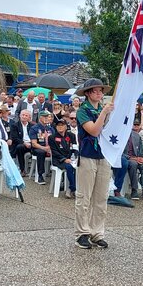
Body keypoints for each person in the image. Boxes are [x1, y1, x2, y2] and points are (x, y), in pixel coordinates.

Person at [74, 78, 114, 249]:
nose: (99, 94)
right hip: (88, 156)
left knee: (101, 197)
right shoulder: (83, 111)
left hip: (105, 156)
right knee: (84, 197)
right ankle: (82, 233)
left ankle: (97, 233)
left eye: (101, 91)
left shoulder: (106, 111)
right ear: (88, 93)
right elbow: (94, 130)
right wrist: (104, 113)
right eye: (96, 91)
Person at [50, 114, 76, 198]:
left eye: (62, 125)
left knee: (80, 166)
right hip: (59, 160)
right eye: (58, 125)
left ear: (66, 127)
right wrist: (64, 159)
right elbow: (54, 151)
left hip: (70, 158)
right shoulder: (52, 137)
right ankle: (73, 188)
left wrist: (76, 157)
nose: (60, 127)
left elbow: (75, 148)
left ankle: (74, 188)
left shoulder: (71, 135)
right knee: (69, 167)